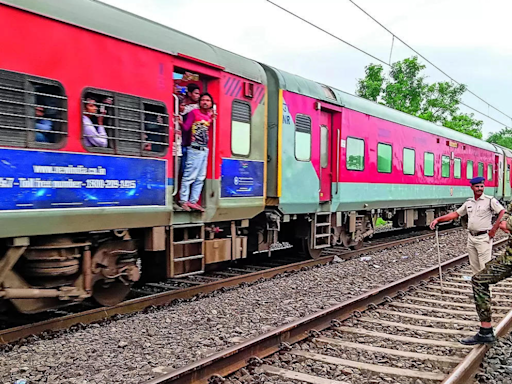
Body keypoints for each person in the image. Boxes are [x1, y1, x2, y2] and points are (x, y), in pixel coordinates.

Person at [430, 176, 505, 275]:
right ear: (472, 188)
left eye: (481, 186)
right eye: (477, 186)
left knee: (485, 267)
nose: (479, 189)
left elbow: (502, 211)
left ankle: (486, 289)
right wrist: (438, 219)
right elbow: (456, 214)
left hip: (484, 238)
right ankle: (476, 289)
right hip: (471, 238)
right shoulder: (469, 202)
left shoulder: (490, 200)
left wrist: (494, 230)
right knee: (474, 267)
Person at [459, 210, 512, 345]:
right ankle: (485, 331)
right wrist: (505, 221)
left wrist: (507, 223)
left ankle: (486, 331)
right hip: (509, 258)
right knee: (479, 279)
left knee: (479, 280)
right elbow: (505, 216)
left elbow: (506, 223)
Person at [178, 92, 214, 212]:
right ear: (199, 102)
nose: (205, 102)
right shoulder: (194, 113)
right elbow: (187, 127)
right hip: (194, 148)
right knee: (190, 176)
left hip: (204, 149)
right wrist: (180, 122)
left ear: (211, 104)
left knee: (200, 177)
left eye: (208, 100)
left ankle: (193, 201)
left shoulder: (209, 116)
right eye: (203, 100)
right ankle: (183, 200)